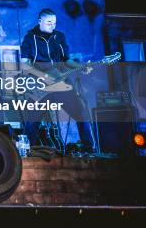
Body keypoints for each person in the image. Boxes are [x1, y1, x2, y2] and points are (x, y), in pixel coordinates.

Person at [20, 8, 95, 152]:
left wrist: (81, 67)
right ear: (40, 21)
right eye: (49, 22)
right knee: (32, 121)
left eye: (54, 23)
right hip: (40, 84)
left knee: (81, 113)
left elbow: (66, 60)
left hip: (62, 82)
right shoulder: (29, 38)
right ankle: (30, 150)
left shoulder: (59, 37)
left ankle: (89, 148)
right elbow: (25, 65)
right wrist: (43, 77)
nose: (52, 26)